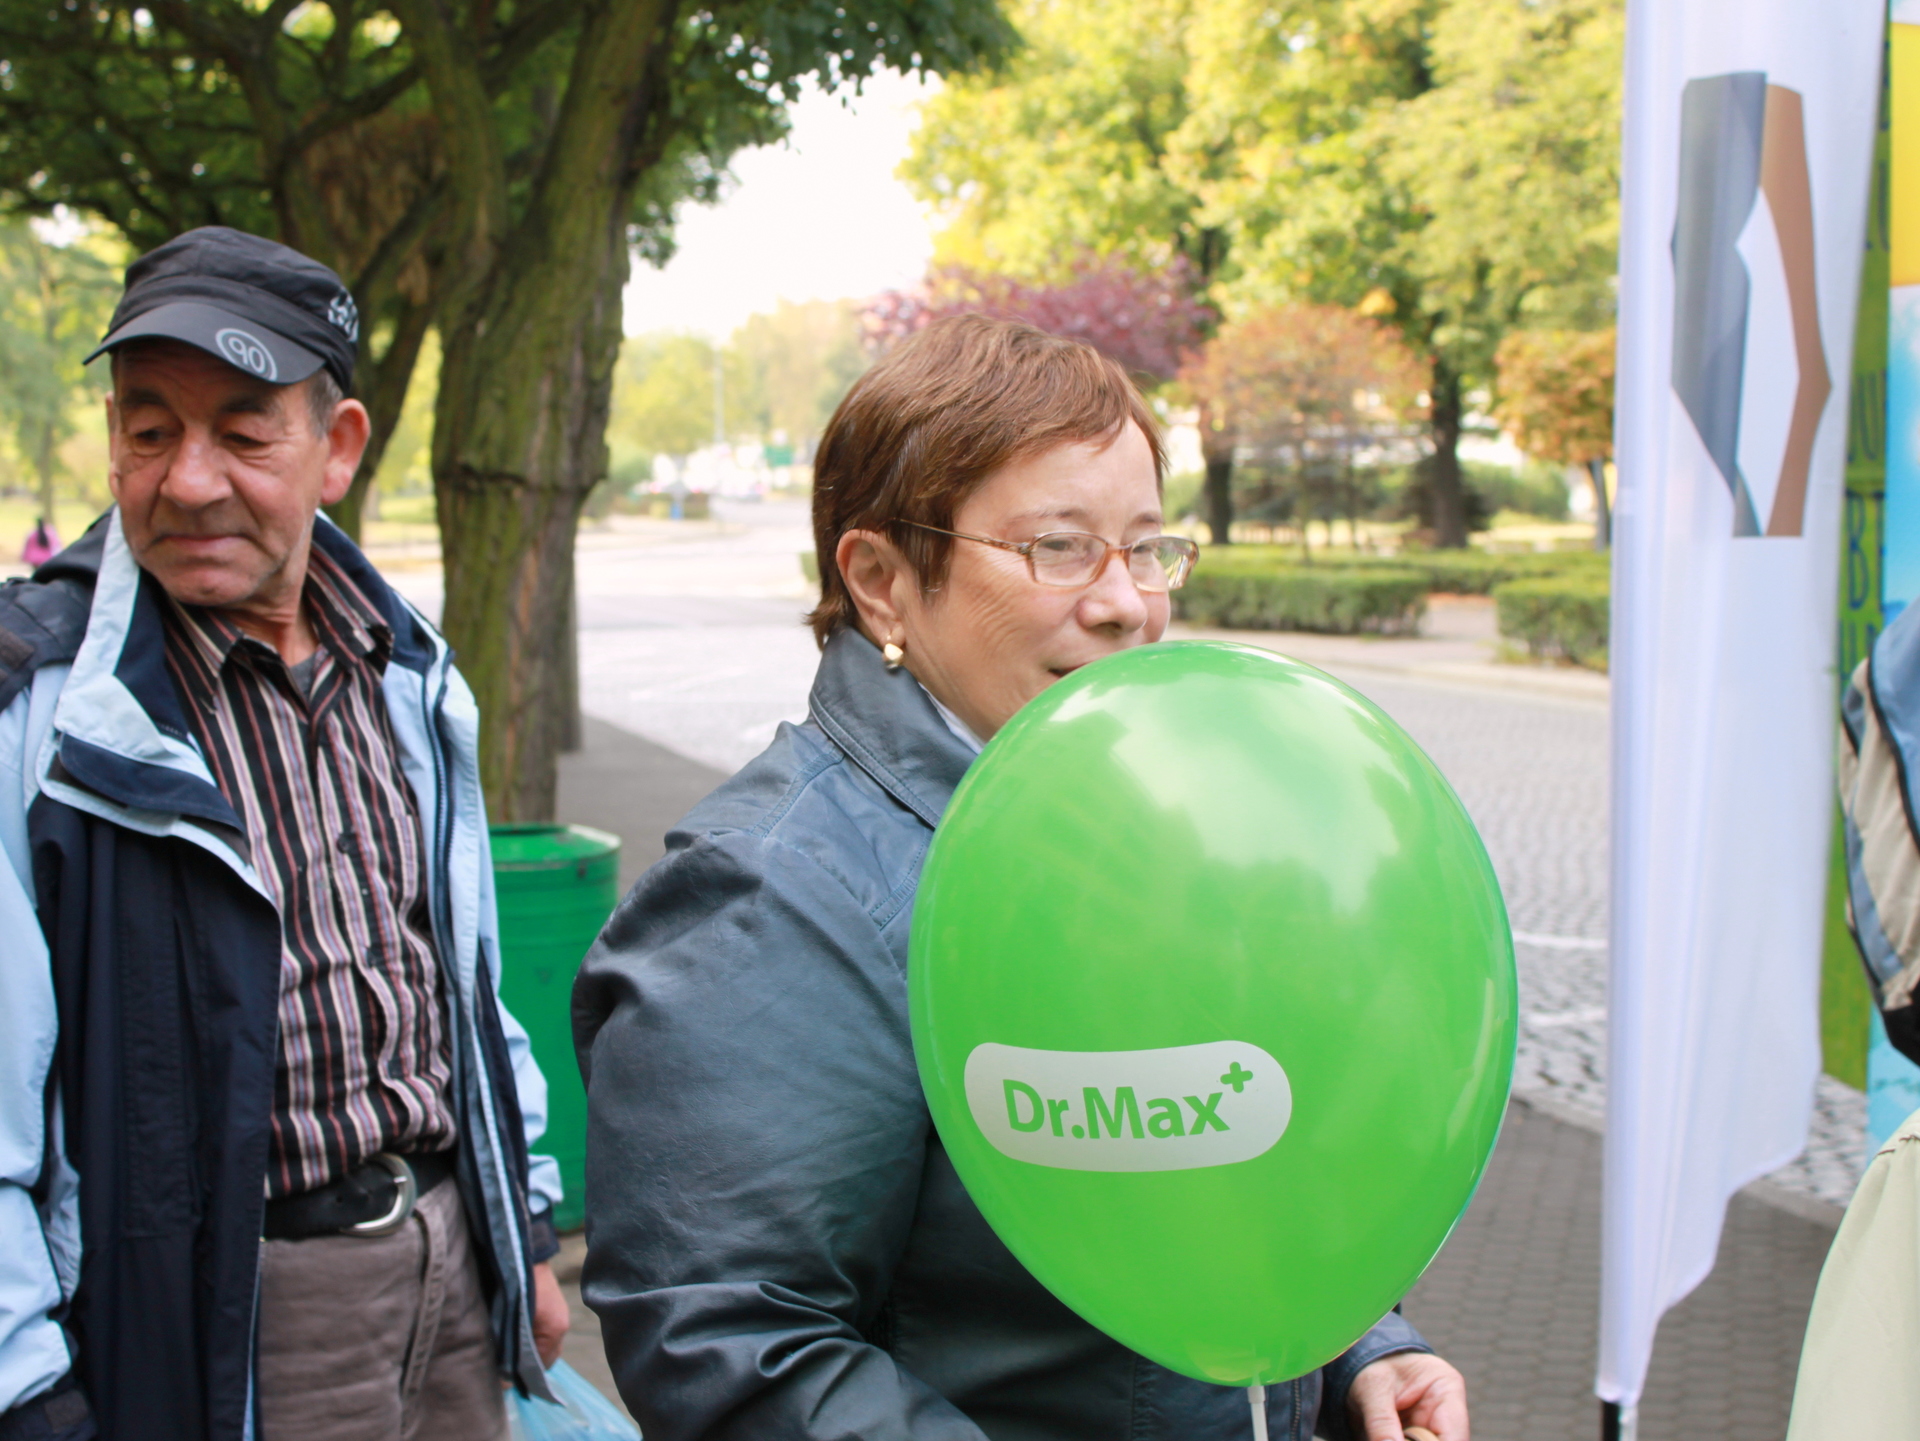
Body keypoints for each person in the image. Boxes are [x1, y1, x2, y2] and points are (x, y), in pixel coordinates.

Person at [574, 315, 1471, 1441]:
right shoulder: (774, 899)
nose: (1125, 603)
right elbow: (737, 1347)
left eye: (1146, 546)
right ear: (883, 583)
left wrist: (1355, 1348)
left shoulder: (1141, 816)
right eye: (1058, 546)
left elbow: (1225, 1171)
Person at [0, 226, 569, 1441]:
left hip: (449, 1260)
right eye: (150, 430)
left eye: (245, 431)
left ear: (339, 448)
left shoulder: (403, 666)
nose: (189, 478)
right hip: (242, 1306)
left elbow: (461, 976)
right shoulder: (43, 713)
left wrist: (520, 1218)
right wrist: (27, 1387)